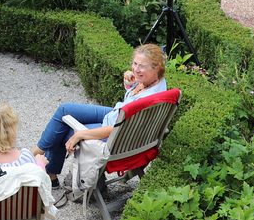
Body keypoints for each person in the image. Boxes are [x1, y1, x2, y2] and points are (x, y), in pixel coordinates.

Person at [34, 43, 167, 180]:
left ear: (156, 67)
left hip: (116, 134)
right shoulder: (157, 83)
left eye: (141, 66)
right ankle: (38, 152)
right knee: (65, 110)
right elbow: (132, 100)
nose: (136, 69)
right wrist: (131, 84)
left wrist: (80, 134)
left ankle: (44, 168)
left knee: (65, 129)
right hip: (117, 116)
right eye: (135, 63)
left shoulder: (146, 101)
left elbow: (118, 129)